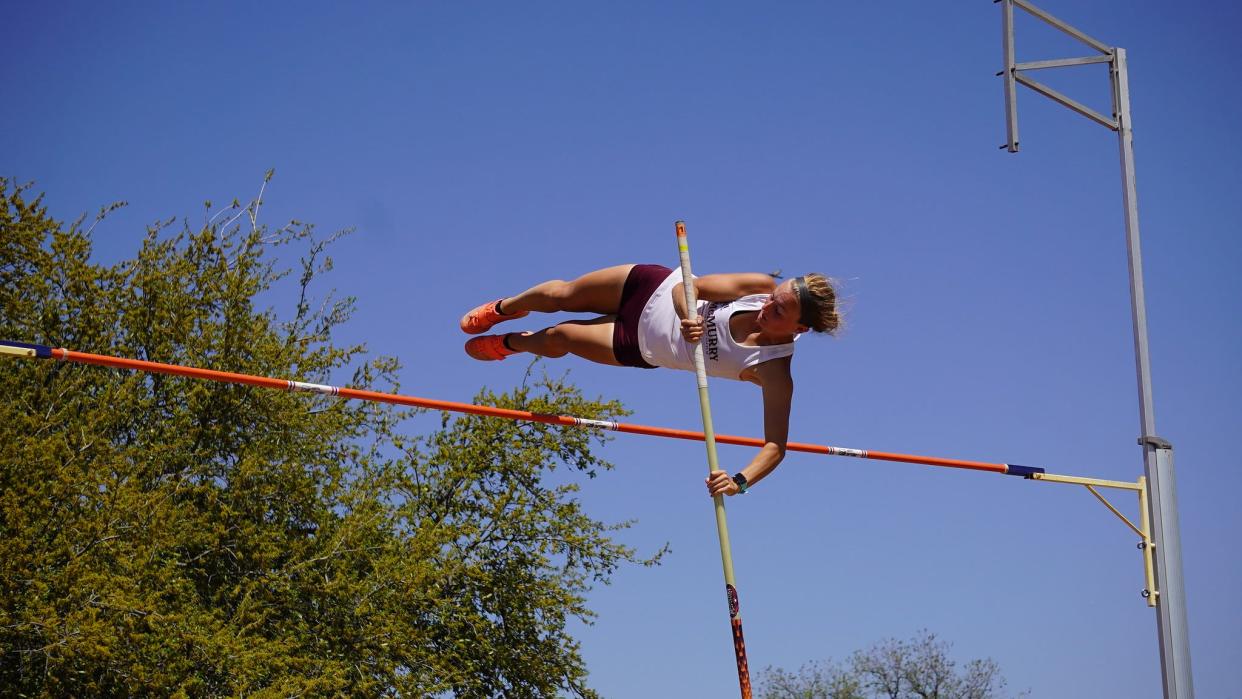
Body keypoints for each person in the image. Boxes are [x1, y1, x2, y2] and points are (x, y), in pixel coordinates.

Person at [460, 263, 840, 498]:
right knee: (563, 293)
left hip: (642, 345)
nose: (768, 306)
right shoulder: (756, 286)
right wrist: (685, 314)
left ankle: (511, 344)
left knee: (562, 336)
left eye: (779, 311)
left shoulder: (772, 369)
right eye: (774, 297)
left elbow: (775, 446)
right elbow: (686, 288)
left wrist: (739, 481)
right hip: (651, 288)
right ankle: (503, 308)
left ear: (800, 327)